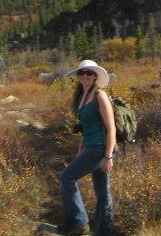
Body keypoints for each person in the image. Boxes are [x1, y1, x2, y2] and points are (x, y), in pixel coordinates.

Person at [60, 59, 116, 236]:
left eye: (89, 73)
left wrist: (109, 156)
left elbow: (111, 127)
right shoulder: (82, 97)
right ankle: (103, 231)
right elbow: (86, 128)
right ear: (78, 76)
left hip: (100, 148)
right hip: (90, 148)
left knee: (67, 177)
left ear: (95, 76)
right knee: (102, 194)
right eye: (82, 73)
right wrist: (80, 149)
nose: (85, 76)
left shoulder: (100, 95)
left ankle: (79, 222)